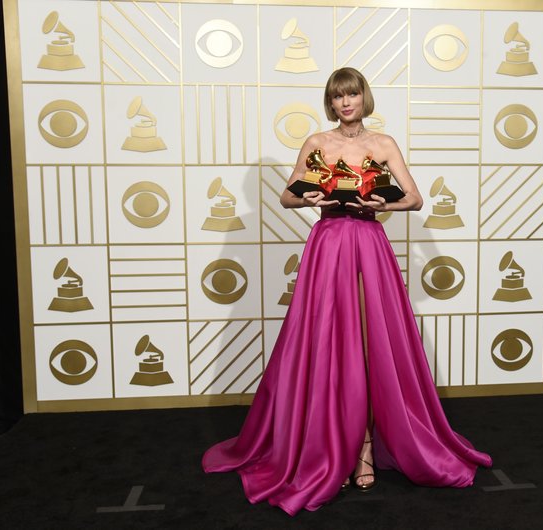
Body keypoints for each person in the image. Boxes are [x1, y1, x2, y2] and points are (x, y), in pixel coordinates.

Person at [202, 67, 492, 516]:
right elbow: (286, 196)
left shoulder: (383, 144)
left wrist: (384, 203)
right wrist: (310, 198)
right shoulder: (318, 143)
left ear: (363, 97)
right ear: (331, 102)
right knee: (330, 345)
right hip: (329, 244)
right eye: (338, 97)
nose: (345, 103)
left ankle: (367, 449)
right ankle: (334, 448)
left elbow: (415, 199)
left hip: (369, 244)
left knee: (369, 345)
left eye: (352, 94)